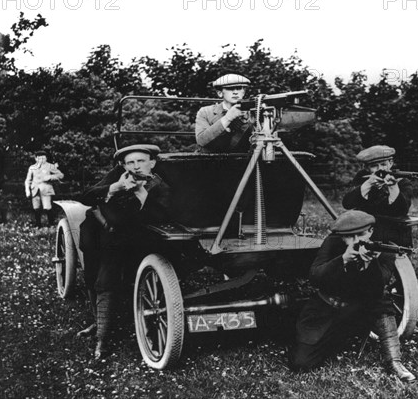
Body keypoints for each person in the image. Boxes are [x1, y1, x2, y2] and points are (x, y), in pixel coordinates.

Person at [289, 210, 416, 382]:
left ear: (371, 231)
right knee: (302, 363)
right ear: (342, 237)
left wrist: (369, 264)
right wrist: (343, 259)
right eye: (350, 236)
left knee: (382, 303)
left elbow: (378, 288)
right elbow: (315, 276)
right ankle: (336, 338)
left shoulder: (384, 250)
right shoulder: (332, 243)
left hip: (360, 309)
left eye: (361, 234)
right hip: (326, 308)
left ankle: (394, 362)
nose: (357, 241)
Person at [78, 144, 172, 359]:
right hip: (95, 232)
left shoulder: (160, 186)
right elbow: (86, 196)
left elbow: (161, 216)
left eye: (140, 161)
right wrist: (113, 188)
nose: (136, 167)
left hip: (124, 237)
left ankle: (102, 339)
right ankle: (97, 321)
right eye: (130, 162)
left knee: (106, 278)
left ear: (152, 163)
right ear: (123, 165)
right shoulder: (117, 176)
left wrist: (141, 194)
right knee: (91, 274)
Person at [342, 145, 413, 247]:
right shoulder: (362, 178)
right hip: (365, 231)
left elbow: (401, 210)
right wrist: (368, 184)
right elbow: (347, 203)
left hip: (394, 233)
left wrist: (393, 186)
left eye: (383, 164)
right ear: (366, 168)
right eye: (374, 166)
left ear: (391, 163)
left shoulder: (402, 181)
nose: (380, 169)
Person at [195, 73, 252, 153]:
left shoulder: (252, 113)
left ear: (243, 92)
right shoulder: (205, 112)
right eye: (230, 88)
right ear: (220, 93)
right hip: (210, 160)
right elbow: (201, 140)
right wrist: (228, 118)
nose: (235, 92)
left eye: (239, 88)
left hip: (241, 161)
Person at [24, 150, 64, 227]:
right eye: (39, 158)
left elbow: (61, 175)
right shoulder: (32, 168)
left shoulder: (50, 166)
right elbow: (28, 180)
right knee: (36, 208)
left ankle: (51, 224)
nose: (41, 160)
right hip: (35, 190)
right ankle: (38, 225)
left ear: (46, 158)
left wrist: (50, 177)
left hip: (46, 190)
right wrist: (27, 190)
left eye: (43, 158)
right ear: (36, 159)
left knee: (47, 207)